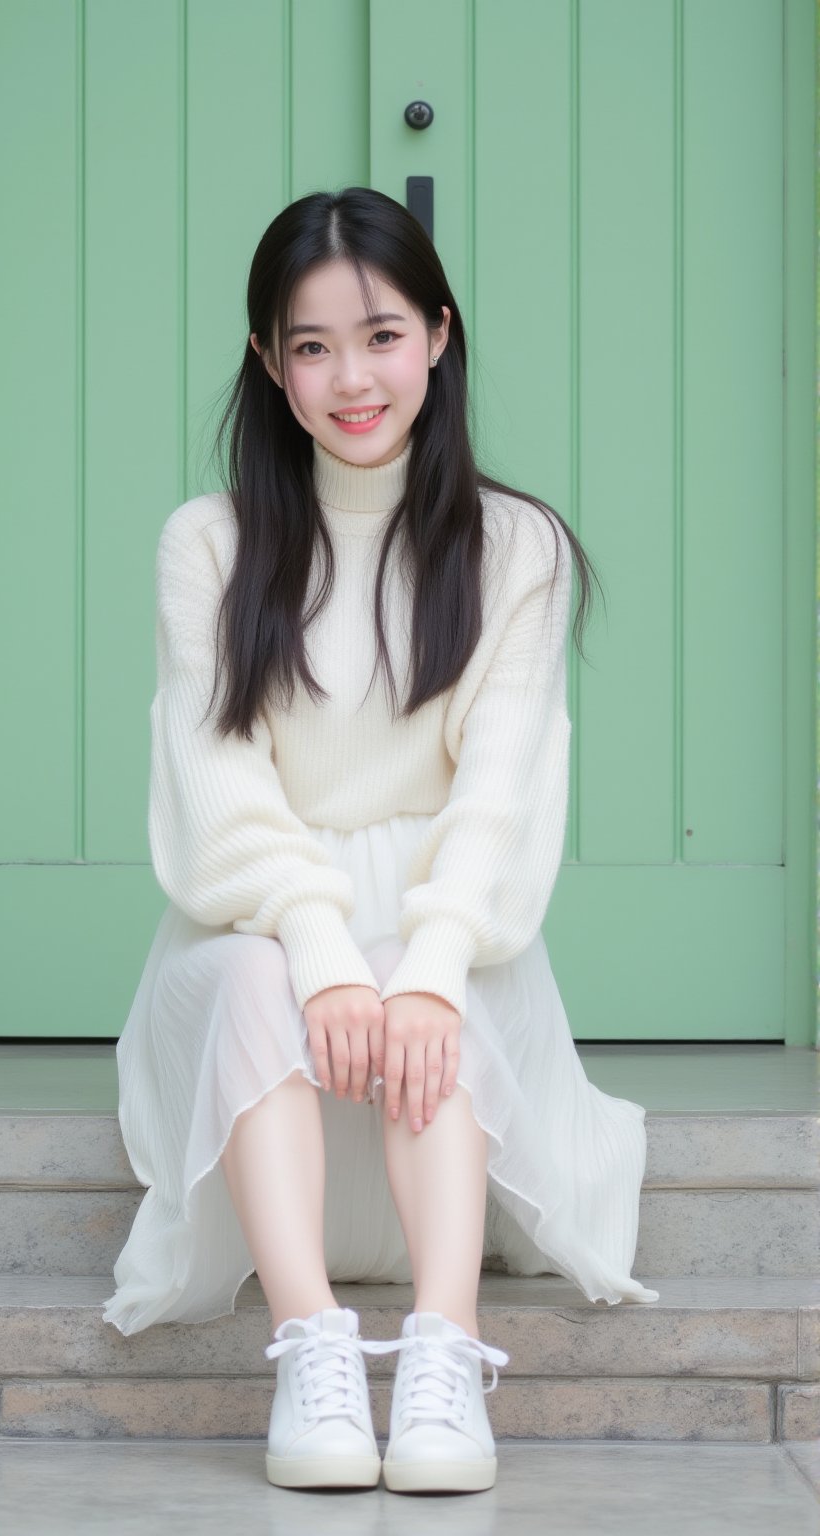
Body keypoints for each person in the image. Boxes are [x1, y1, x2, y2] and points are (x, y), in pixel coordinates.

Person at [101, 185, 660, 1495]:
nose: (352, 377)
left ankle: (447, 1355)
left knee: (439, 984)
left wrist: (423, 958)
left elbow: (500, 793)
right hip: (258, 950)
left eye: (384, 335)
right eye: (311, 346)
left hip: (439, 960)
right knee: (246, 975)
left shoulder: (516, 548)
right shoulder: (210, 545)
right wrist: (317, 943)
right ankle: (314, 1354)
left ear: (441, 339)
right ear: (268, 365)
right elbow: (216, 783)